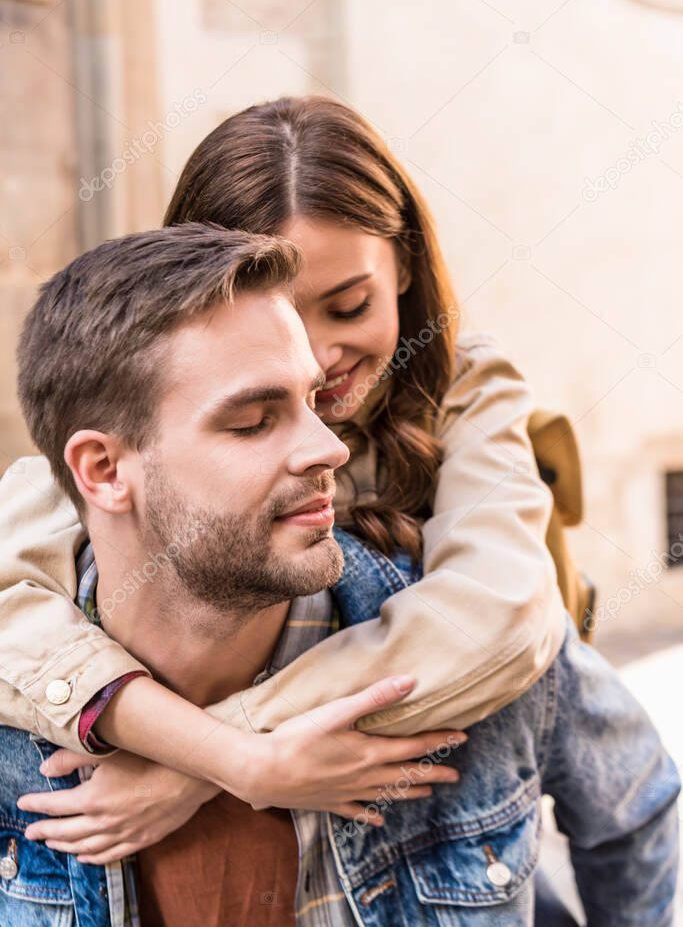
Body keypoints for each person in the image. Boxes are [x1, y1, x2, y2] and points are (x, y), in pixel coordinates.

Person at [2, 224, 678, 926]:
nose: (328, 446)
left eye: (315, 400)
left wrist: (221, 756)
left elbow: (636, 811)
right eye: (253, 422)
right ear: (105, 471)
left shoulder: (482, 653)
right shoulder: (16, 716)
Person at [0, 98, 566, 841]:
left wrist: (213, 760)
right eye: (276, 317)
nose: (317, 355)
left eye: (348, 305)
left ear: (402, 267)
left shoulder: (462, 388)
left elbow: (501, 616)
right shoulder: (140, 429)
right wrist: (231, 756)